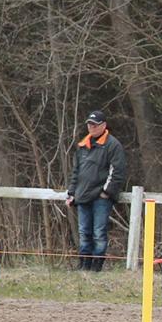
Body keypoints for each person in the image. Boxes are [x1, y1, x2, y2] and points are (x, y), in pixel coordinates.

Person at [66, 110, 127, 271]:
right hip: (82, 196)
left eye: (94, 124)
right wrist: (72, 193)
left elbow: (118, 172)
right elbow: (76, 173)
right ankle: (84, 265)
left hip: (101, 197)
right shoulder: (82, 146)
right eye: (89, 124)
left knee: (99, 233)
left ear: (104, 125)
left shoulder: (113, 145)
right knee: (84, 232)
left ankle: (96, 267)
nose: (91, 127)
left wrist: (106, 192)